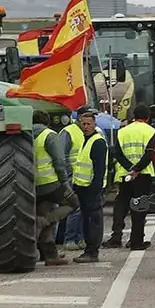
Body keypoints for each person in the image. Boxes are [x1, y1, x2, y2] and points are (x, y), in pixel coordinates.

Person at [105, 104, 155, 251]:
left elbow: (118, 153)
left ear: (133, 116)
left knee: (121, 204)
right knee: (139, 207)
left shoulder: (122, 132)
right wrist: (137, 169)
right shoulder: (151, 132)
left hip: (124, 174)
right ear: (147, 118)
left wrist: (130, 168)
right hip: (143, 175)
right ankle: (136, 241)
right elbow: (149, 154)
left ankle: (116, 237)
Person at [32, 110, 79, 266]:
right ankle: (45, 221)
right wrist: (65, 183)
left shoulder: (24, 135)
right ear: (47, 121)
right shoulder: (49, 135)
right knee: (73, 203)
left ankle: (49, 255)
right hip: (51, 183)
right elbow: (59, 161)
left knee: (44, 211)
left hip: (32, 185)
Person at [57, 105, 103, 250]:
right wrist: (69, 174)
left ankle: (81, 238)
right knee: (74, 209)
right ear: (80, 118)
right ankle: (69, 239)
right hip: (73, 178)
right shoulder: (69, 132)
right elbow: (62, 155)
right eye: (85, 120)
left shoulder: (93, 134)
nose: (87, 124)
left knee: (84, 211)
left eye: (91, 120)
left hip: (85, 179)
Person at [72, 110, 109, 263]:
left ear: (94, 125)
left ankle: (92, 251)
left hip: (91, 189)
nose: (86, 126)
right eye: (83, 123)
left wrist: (95, 188)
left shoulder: (97, 142)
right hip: (82, 187)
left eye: (89, 124)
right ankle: (89, 250)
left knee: (93, 221)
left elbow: (99, 169)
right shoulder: (85, 140)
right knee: (87, 221)